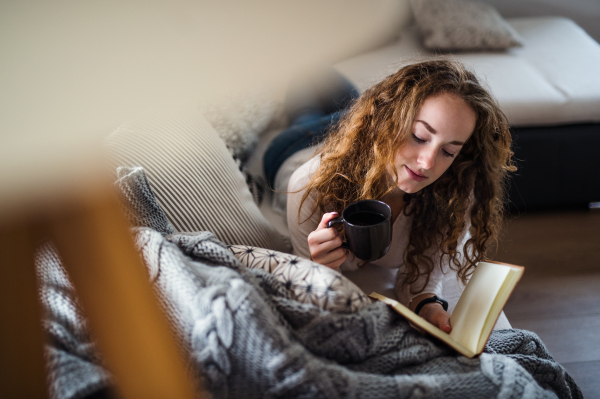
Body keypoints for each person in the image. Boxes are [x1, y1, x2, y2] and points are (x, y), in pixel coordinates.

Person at [281, 59, 516, 333]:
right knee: (305, 105)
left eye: (448, 152)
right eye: (418, 136)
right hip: (295, 147)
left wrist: (430, 309)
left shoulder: (455, 193)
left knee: (340, 104)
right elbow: (308, 288)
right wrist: (321, 266)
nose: (427, 163)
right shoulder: (308, 185)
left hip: (358, 129)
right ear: (385, 121)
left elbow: (419, 282)